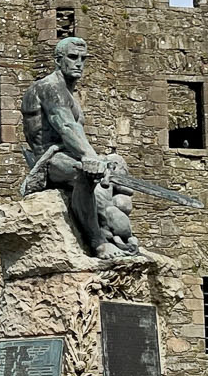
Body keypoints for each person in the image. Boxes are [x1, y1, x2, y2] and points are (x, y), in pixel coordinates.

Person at [20, 37, 139, 257]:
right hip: (48, 159)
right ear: (58, 60)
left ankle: (116, 232)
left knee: (114, 164)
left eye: (83, 59)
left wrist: (100, 160)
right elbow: (66, 126)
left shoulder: (69, 93)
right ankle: (98, 242)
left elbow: (76, 131)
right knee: (84, 174)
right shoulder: (49, 87)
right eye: (73, 57)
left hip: (68, 155)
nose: (79, 63)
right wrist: (89, 156)